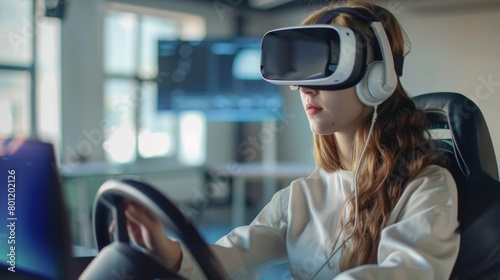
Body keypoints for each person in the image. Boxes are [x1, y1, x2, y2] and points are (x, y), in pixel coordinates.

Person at [120, 0, 460, 279]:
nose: (304, 88)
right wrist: (169, 251)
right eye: (299, 71)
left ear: (377, 78)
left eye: (326, 66)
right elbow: (234, 253)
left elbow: (410, 272)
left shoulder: (426, 188)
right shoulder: (301, 196)